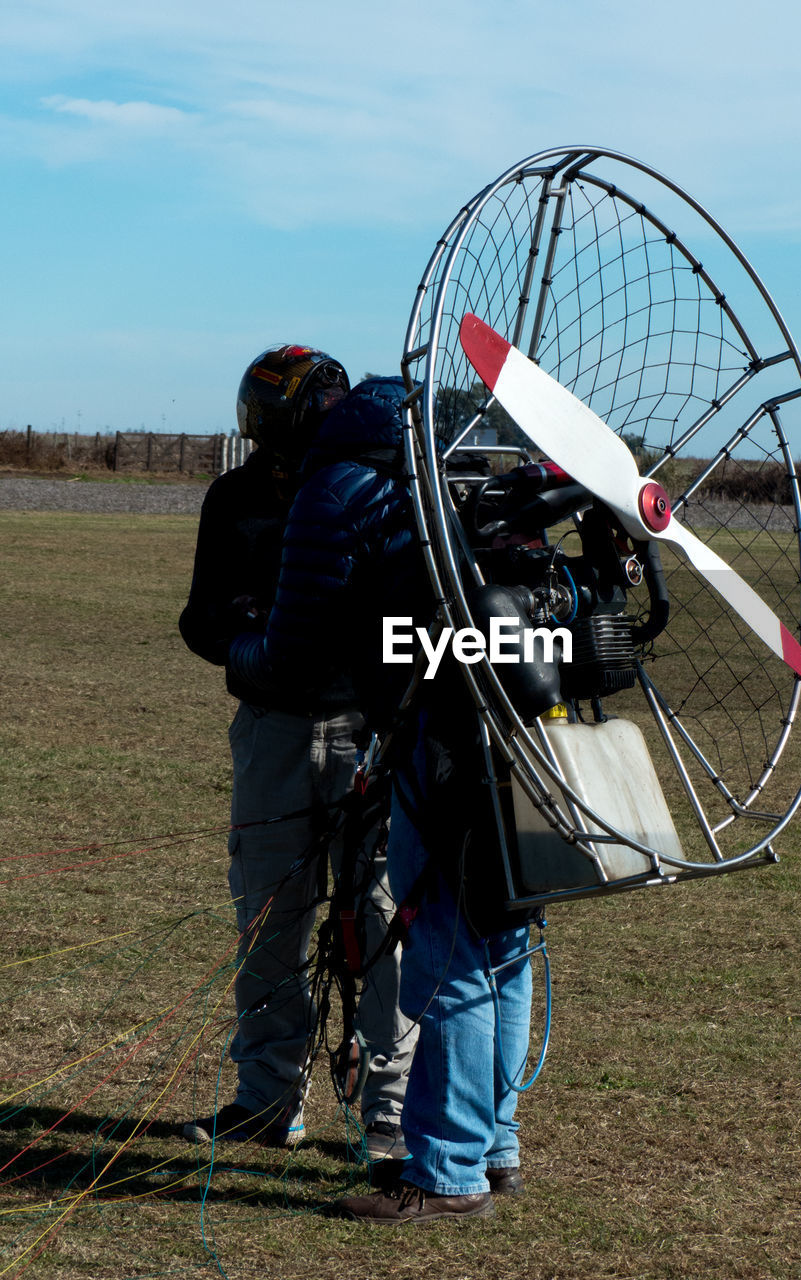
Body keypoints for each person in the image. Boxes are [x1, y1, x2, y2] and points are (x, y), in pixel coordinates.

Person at [228, 375, 534, 1222]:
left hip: (440, 738)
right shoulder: (454, 478)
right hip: (530, 729)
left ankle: (447, 1172)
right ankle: (492, 1147)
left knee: (446, 953)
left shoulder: (343, 486)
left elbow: (289, 649)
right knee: (505, 939)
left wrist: (239, 649)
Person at [178, 345, 415, 1159]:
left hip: (365, 731)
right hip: (272, 732)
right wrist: (250, 634)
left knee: (380, 916)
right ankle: (266, 1100)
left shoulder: (383, 485)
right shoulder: (233, 497)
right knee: (268, 918)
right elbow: (200, 620)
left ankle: (391, 1109)